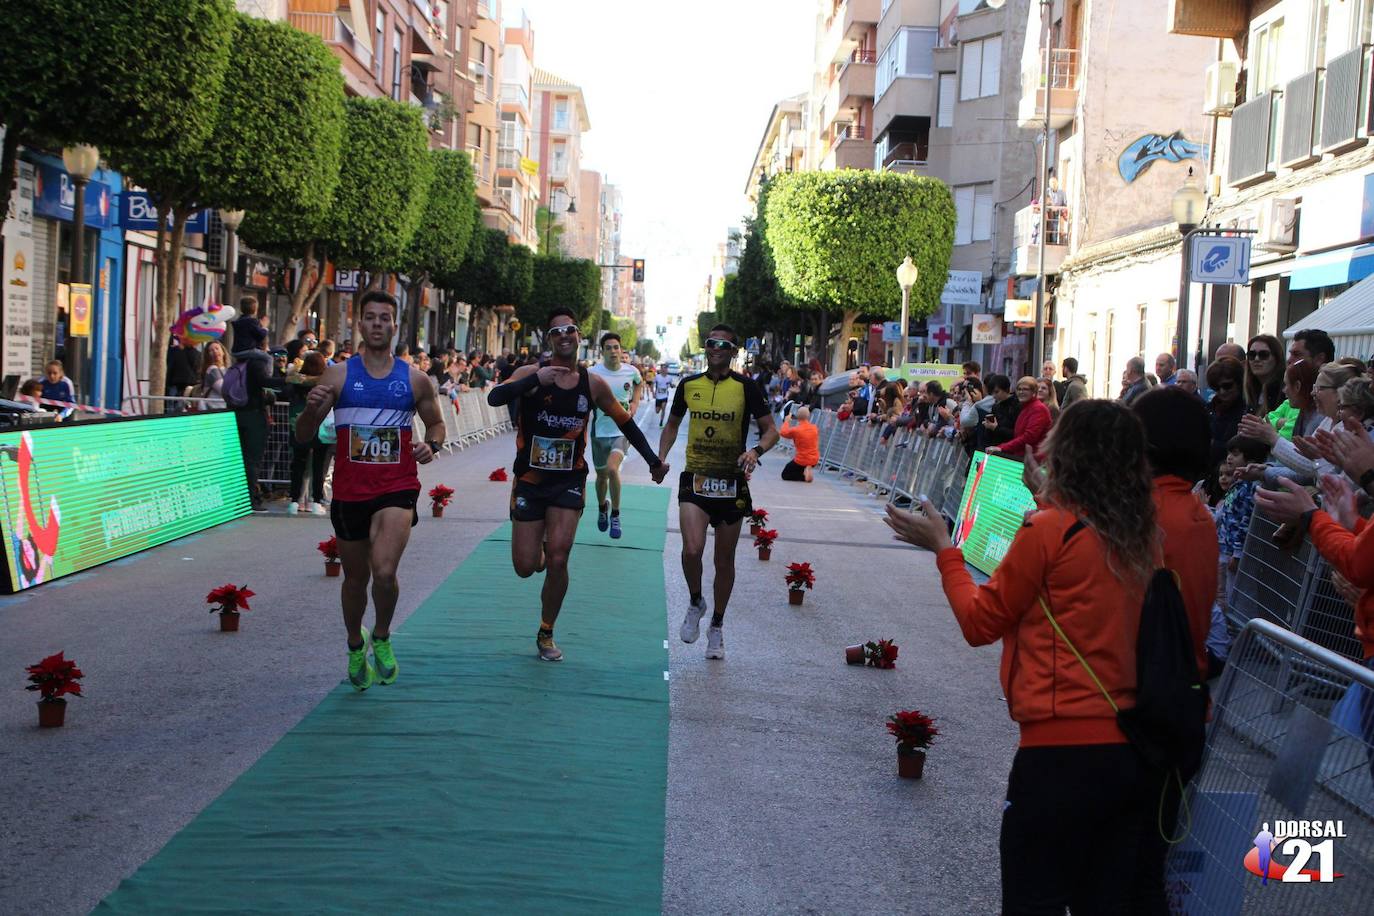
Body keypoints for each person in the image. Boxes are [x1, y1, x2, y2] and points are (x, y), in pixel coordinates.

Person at [883, 400, 1158, 913]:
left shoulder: (1048, 531)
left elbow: (980, 622)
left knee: (1034, 901)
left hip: (1057, 755)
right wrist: (1043, 494)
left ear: (1065, 455)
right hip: (1128, 753)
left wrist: (945, 550)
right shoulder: (1143, 536)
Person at [487, 308, 669, 662]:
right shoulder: (530, 374)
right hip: (529, 480)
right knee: (526, 566)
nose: (564, 335)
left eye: (570, 329)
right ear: (549, 338)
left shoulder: (593, 384)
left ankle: (546, 630)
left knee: (558, 558)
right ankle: (537, 546)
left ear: (578, 336)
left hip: (569, 482)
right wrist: (535, 380)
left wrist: (652, 462)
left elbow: (626, 423)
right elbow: (496, 397)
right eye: (557, 331)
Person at [293, 290, 446, 691]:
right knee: (355, 581)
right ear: (359, 324)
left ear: (395, 326)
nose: (378, 323)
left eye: (385, 318)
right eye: (371, 317)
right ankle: (355, 643)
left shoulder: (414, 379)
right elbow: (304, 436)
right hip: (349, 492)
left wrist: (432, 445)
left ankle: (381, 634)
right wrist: (310, 410)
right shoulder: (338, 375)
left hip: (397, 486)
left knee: (384, 570)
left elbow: (436, 424)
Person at [1129, 387, 1220, 909]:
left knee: (1129, 873)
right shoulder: (1193, 512)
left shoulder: (1148, 516)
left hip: (1147, 710)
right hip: (1179, 706)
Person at [659, 324, 779, 661]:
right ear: (705, 347)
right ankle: (696, 601)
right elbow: (672, 425)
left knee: (723, 559)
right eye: (711, 343)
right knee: (691, 550)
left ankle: (717, 625)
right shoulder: (688, 384)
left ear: (733, 351)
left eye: (723, 345)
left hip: (731, 482)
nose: (716, 349)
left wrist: (755, 452)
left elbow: (772, 431)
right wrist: (661, 458)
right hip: (695, 478)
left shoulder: (746, 387)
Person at [588, 332, 644, 539]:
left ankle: (616, 515)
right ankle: (603, 507)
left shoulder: (631, 371)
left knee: (613, 469)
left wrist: (635, 402)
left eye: (616, 347)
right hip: (599, 433)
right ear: (602, 352)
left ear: (621, 350)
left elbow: (639, 383)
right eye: (609, 348)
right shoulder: (592, 373)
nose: (613, 351)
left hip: (621, 430)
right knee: (601, 476)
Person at [286, 351, 332, 516]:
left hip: (297, 425)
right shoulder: (326, 382)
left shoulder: (295, 381)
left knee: (298, 465)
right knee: (319, 466)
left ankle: (294, 501)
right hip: (320, 427)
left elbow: (286, 386)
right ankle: (317, 501)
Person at [232, 334, 275, 512]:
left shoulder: (240, 363)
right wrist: (288, 380)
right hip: (253, 416)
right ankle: (250, 499)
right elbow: (265, 382)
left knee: (242, 459)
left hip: (239, 413)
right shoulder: (257, 364)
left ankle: (242, 497)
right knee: (252, 461)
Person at [988, 377, 1052, 460]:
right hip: (1025, 458)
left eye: (1025, 389)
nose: (1021, 392)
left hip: (1035, 461)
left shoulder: (1038, 408)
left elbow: (1029, 437)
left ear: (1034, 392)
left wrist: (1002, 447)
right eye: (1019, 389)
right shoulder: (1026, 407)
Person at [1243, 334, 1285, 415]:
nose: (1256, 359)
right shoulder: (1248, 390)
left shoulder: (1286, 390)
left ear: (1276, 358)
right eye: (1251, 354)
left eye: (1264, 354)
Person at [779, 406, 820, 482]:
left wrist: (787, 421)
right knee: (797, 468)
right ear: (808, 416)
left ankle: (804, 476)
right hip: (814, 458)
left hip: (802, 459)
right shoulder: (815, 428)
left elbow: (783, 432)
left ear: (797, 416)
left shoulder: (796, 430)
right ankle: (807, 468)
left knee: (785, 474)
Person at [166, 336, 201, 409]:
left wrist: (167, 382)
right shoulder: (197, 353)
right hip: (190, 384)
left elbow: (170, 367)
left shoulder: (175, 351)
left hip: (175, 383)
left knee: (172, 405)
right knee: (184, 406)